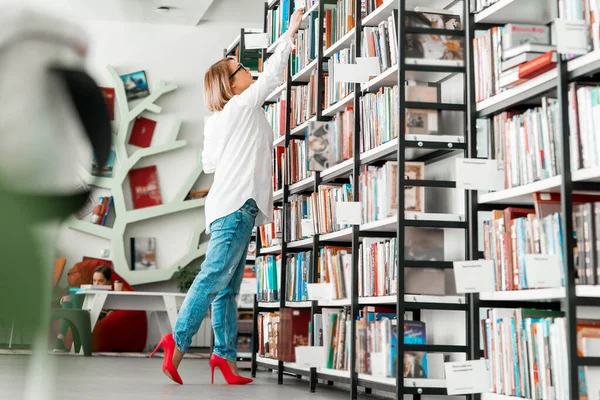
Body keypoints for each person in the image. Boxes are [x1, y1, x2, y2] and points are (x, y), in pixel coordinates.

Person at [150, 9, 304, 386]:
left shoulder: (219, 121)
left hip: (225, 206)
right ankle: (178, 340)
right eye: (240, 70)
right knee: (214, 277)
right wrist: (291, 32)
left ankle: (224, 357)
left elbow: (210, 162)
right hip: (237, 206)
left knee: (227, 289)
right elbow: (271, 75)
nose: (247, 71)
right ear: (231, 84)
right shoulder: (242, 105)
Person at [53, 266, 113, 352]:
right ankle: (62, 338)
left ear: (108, 282)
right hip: (82, 313)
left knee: (72, 297)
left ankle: (61, 338)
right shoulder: (85, 289)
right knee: (73, 295)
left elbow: (112, 310)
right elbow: (61, 298)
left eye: (100, 281)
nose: (96, 284)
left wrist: (109, 311)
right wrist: (62, 299)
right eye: (94, 280)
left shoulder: (112, 293)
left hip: (94, 315)